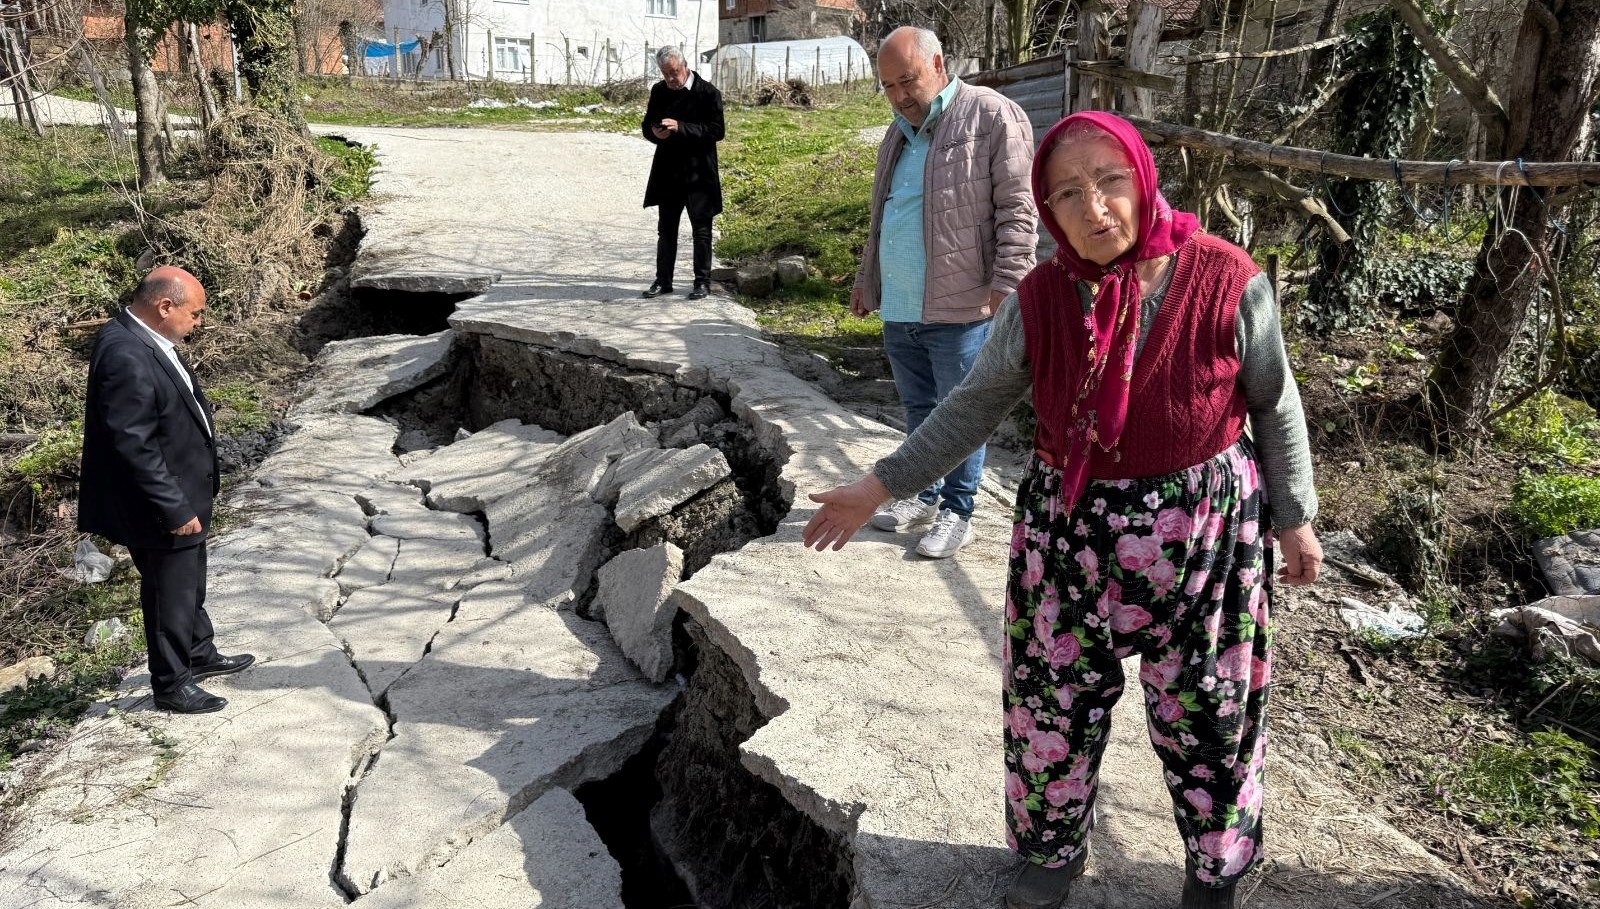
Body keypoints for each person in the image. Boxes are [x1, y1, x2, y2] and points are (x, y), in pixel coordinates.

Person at [803, 111, 1324, 909]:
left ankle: (1215, 869)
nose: (1096, 208)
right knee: (1050, 700)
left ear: (1144, 178)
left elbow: (1275, 405)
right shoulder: (1041, 297)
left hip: (1207, 537)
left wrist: (1296, 517)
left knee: (1212, 709)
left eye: (1112, 181)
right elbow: (971, 407)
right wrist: (879, 484)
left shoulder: (1225, 277)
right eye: (1069, 192)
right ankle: (1048, 855)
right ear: (1047, 209)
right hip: (1068, 534)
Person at [853, 26, 1036, 559]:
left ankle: (959, 509)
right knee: (919, 407)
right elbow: (885, 215)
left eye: (907, 81)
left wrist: (1010, 283)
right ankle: (922, 492)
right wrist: (869, 279)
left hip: (963, 304)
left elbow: (1019, 208)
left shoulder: (991, 115)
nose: (899, 95)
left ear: (938, 63)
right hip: (903, 304)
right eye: (888, 86)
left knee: (962, 413)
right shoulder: (897, 131)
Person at [79, 266, 254, 715]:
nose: (198, 323)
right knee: (167, 593)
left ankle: (198, 651)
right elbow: (132, 443)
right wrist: (174, 508)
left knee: (190, 580)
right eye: (194, 314)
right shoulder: (125, 353)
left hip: (185, 490)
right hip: (160, 505)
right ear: (165, 307)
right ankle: (172, 683)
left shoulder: (149, 340)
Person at [641, 45, 725, 301]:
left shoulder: (708, 93)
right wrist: (654, 133)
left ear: (685, 66)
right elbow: (647, 124)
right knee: (666, 230)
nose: (670, 78)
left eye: (674, 72)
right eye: (665, 73)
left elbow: (716, 131)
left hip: (698, 174)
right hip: (669, 172)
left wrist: (681, 127)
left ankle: (702, 283)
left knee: (701, 231)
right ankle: (663, 280)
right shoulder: (659, 91)